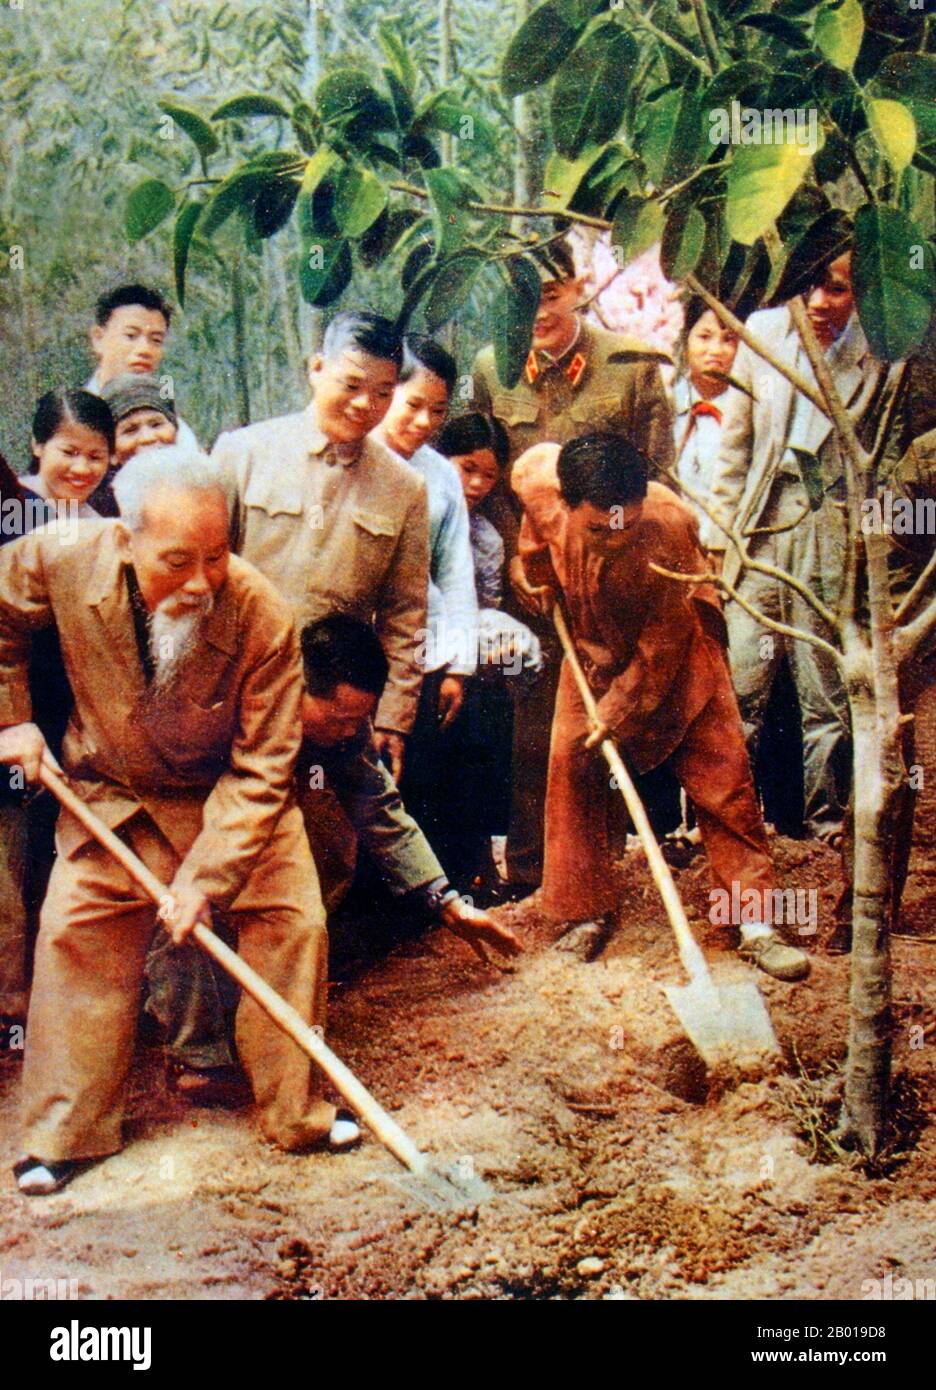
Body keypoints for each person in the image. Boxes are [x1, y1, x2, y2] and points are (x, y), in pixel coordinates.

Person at [0, 446, 357, 1196]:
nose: (202, 582)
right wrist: (14, 721)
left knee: (295, 918)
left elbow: (265, 768)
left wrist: (206, 879)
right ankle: (65, 1134)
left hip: (231, 798)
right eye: (178, 561)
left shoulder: (264, 615)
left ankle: (297, 1110)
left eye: (217, 556)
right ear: (124, 541)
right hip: (116, 792)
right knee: (76, 927)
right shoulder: (61, 556)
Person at [512, 432, 810, 981]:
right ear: (569, 503)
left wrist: (618, 713)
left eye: (625, 522)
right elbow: (532, 538)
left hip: (678, 656)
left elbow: (663, 644)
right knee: (572, 770)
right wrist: (529, 572)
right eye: (599, 528)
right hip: (590, 651)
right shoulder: (541, 486)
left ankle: (755, 922)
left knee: (725, 782)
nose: (615, 539)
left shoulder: (669, 526)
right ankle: (585, 913)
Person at [472, 238, 675, 896]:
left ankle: (601, 878)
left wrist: (619, 576)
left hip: (611, 590)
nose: (536, 313)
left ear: (581, 285)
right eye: (520, 298)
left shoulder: (632, 366)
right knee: (537, 741)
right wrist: (518, 567)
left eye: (551, 295)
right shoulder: (491, 369)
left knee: (605, 732)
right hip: (535, 593)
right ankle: (535, 884)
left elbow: (661, 483)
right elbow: (487, 481)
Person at [702, 251, 905, 844]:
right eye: (812, 285)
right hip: (763, 520)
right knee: (743, 678)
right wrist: (719, 541)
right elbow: (734, 449)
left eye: (838, 290)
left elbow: (886, 463)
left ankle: (827, 824)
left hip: (833, 526)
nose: (820, 302)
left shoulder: (884, 356)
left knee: (826, 687)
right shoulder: (765, 331)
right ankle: (725, 821)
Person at [212, 310, 429, 786]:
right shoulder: (242, 454)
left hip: (334, 715)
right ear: (316, 369)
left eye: (383, 393)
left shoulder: (405, 488)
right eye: (351, 384)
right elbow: (203, 580)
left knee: (326, 849)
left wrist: (393, 715)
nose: (364, 404)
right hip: (239, 697)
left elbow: (406, 616)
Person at [0, 390, 114, 1044]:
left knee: (55, 860)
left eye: (96, 456)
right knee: (10, 866)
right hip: (15, 712)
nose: (81, 467)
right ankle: (14, 1010)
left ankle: (52, 1000)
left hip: (71, 715)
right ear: (39, 446)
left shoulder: (102, 518)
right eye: (69, 452)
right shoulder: (11, 513)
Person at [373, 335, 479, 872]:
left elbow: (456, 571)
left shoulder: (440, 476)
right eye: (412, 404)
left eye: (437, 411)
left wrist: (459, 662)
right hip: (362, 648)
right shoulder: (357, 456)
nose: (423, 421)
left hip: (425, 646)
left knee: (426, 772)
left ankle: (438, 896)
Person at [437, 412, 542, 892]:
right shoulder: (419, 511)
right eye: (466, 468)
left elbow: (485, 608)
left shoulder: (485, 538)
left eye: (488, 475)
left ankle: (479, 866)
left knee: (476, 748)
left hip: (466, 664)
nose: (477, 484)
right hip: (418, 653)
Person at [86, 284, 197, 449]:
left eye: (156, 340)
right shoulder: (76, 417)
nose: (145, 350)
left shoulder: (173, 428)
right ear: (98, 338)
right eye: (131, 336)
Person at [669, 297, 740, 519]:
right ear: (686, 339)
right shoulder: (665, 404)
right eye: (705, 337)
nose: (715, 350)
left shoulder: (749, 414)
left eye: (728, 340)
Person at [91, 372, 180, 516]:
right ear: (111, 452)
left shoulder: (197, 487)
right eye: (130, 430)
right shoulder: (98, 509)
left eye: (156, 424)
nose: (147, 438)